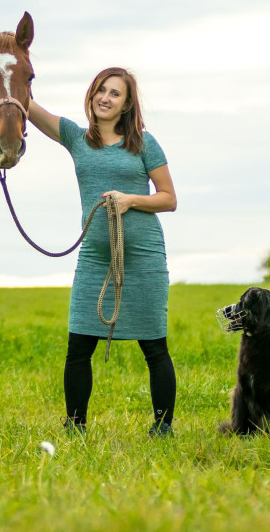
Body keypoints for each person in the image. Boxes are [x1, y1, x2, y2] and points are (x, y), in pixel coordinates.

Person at [28, 66, 179, 436]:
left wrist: (130, 200)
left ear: (127, 104)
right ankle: (75, 425)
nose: (105, 98)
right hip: (95, 259)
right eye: (100, 90)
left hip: (144, 258)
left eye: (114, 93)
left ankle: (162, 428)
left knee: (154, 347)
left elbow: (169, 199)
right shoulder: (76, 138)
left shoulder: (144, 143)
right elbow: (26, 106)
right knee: (78, 346)